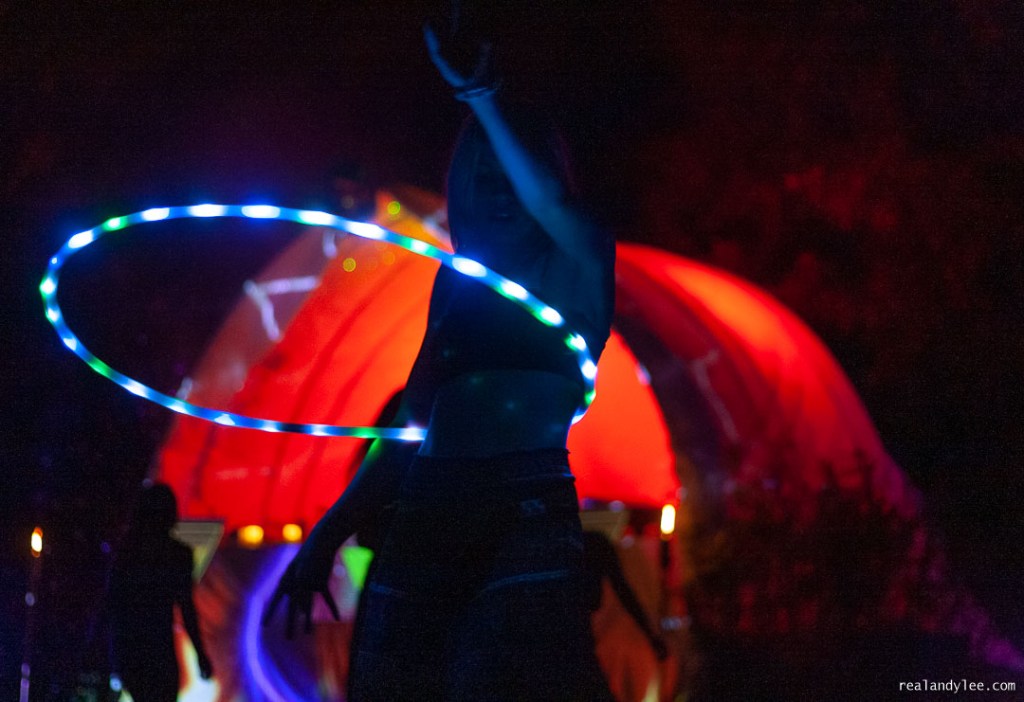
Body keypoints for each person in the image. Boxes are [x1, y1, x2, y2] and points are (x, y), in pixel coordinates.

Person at [265, 18, 615, 701]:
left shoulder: (579, 260)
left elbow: (551, 199)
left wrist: (483, 97)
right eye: (478, 175)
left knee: (502, 682)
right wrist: (326, 535)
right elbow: (410, 429)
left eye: (509, 172)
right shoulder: (455, 283)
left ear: (542, 169)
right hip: (429, 505)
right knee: (397, 684)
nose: (496, 190)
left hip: (524, 507)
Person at [109, 482, 213, 702]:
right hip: (160, 653)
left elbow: (114, 606)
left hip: (132, 651)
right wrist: (200, 654)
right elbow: (186, 608)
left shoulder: (128, 552)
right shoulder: (177, 555)